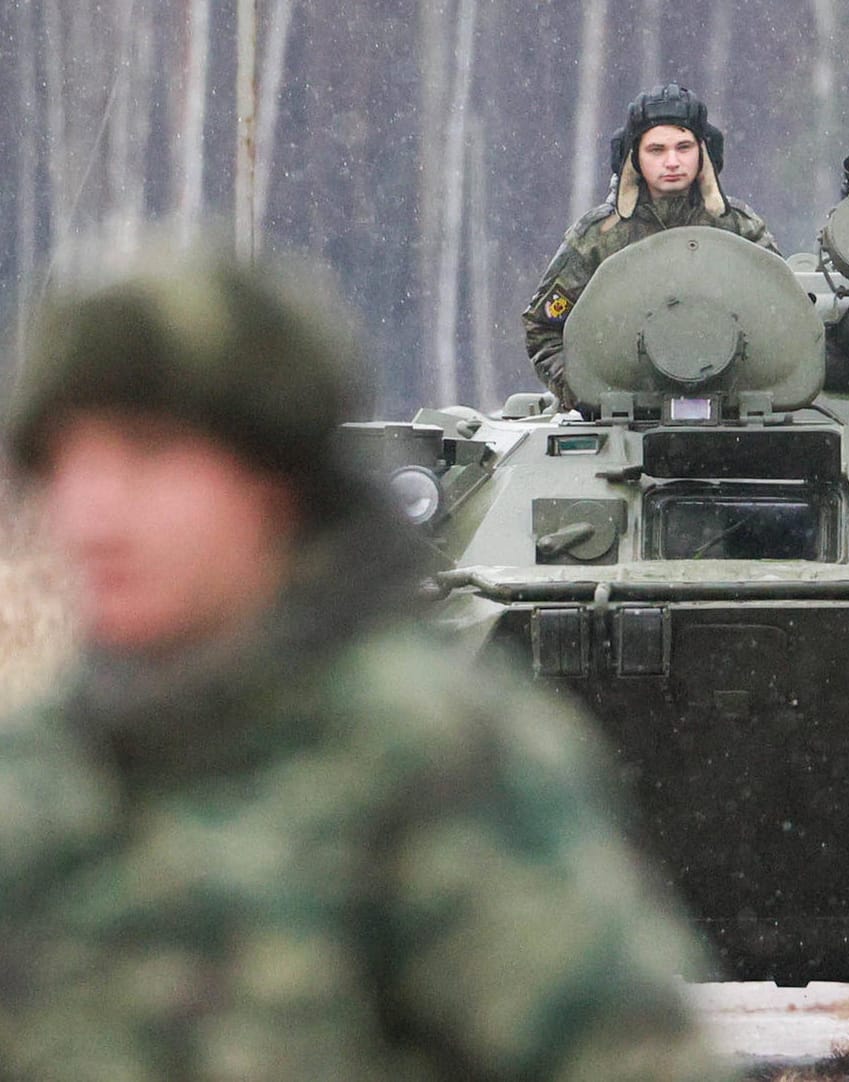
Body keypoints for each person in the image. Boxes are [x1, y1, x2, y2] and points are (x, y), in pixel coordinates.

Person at [0, 244, 733, 1082]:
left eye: (148, 454)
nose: (91, 514)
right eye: (61, 463)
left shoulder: (431, 762)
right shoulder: (30, 779)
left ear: (272, 480)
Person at [524, 83, 778, 409]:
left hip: (730, 412)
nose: (672, 162)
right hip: (622, 414)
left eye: (684, 147)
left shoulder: (738, 228)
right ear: (633, 157)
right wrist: (585, 393)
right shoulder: (599, 237)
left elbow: (780, 319)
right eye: (656, 150)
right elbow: (543, 328)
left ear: (704, 151)